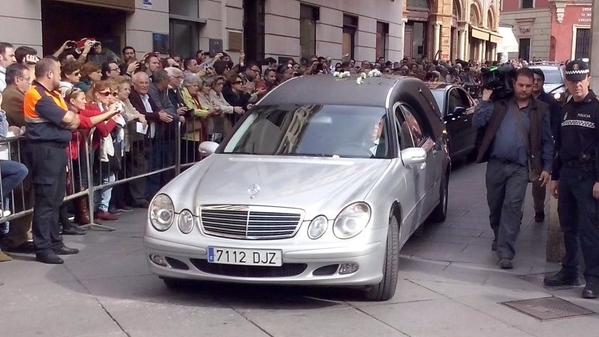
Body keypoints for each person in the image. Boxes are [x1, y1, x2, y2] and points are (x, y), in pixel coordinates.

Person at [473, 67, 553, 270]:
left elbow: (546, 141)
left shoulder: (541, 109)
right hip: (496, 164)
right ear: (514, 83)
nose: (525, 89)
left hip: (519, 168)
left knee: (513, 206)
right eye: (521, 85)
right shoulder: (499, 105)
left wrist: (547, 167)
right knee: (495, 206)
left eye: (528, 86)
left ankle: (506, 251)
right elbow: (478, 122)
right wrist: (485, 100)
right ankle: (499, 236)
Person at [543, 60, 599, 299]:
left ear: (588, 79)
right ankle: (570, 271)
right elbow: (559, 145)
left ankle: (594, 280)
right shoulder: (565, 109)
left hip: (588, 176)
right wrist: (555, 176)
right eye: (572, 80)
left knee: (590, 230)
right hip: (567, 174)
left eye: (580, 80)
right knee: (569, 227)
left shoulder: (597, 109)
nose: (577, 85)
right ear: (566, 82)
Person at [23, 57, 81, 264]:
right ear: (49, 74)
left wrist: (70, 119)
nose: (59, 75)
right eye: (57, 72)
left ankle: (55, 242)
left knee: (56, 199)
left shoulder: (52, 93)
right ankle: (43, 248)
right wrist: (69, 120)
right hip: (44, 152)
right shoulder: (36, 94)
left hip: (55, 151)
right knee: (46, 200)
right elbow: (68, 119)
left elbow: (75, 120)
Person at [530, 68, 562, 222]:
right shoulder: (522, 98)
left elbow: (556, 124)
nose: (535, 83)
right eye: (533, 80)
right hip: (524, 147)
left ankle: (539, 209)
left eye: (539, 80)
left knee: (538, 183)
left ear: (543, 82)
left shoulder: (550, 102)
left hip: (542, 147)